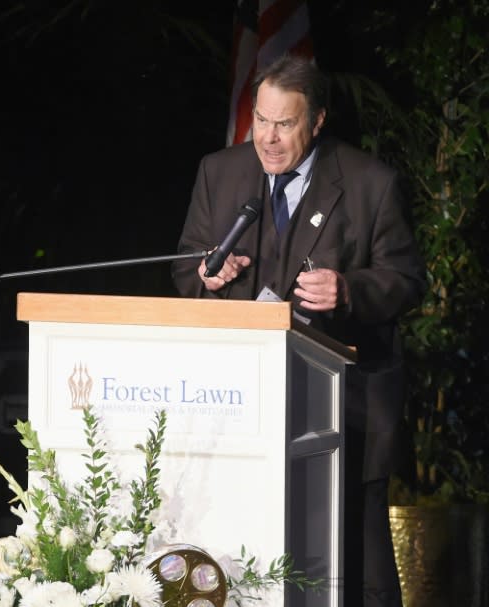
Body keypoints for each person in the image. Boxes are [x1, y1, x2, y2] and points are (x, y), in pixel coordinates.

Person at [171, 54, 426, 607]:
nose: (268, 137)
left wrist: (349, 290)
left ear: (317, 122)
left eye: (284, 124)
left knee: (358, 561)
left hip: (345, 407)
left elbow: (406, 280)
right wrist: (207, 277)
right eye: (261, 119)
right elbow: (186, 265)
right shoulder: (220, 172)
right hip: (238, 404)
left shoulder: (369, 184)